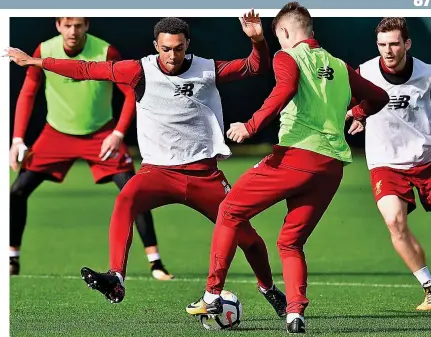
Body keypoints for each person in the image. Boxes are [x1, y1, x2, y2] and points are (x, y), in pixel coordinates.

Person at [6, 12, 289, 317]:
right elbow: (87, 68)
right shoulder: (138, 70)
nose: (172, 55)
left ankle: (269, 289)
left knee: (249, 239)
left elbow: (256, 66)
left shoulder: (208, 69)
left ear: (187, 44)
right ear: (156, 45)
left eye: (178, 48)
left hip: (204, 175)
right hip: (158, 172)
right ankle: (116, 278)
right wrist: (37, 63)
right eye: (165, 48)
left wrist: (258, 39)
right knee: (126, 198)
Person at [185, 2, 390, 334]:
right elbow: (379, 96)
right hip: (331, 168)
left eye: (277, 36)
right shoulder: (340, 65)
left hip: (295, 158)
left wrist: (250, 126)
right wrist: (358, 113)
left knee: (229, 211)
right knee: (291, 242)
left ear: (283, 32)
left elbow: (285, 89)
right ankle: (295, 313)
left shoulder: (287, 56)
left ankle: (212, 294)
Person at [8, 17, 173, 281]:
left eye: (79, 25)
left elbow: (131, 93)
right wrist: (17, 139)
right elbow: (28, 92)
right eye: (68, 25)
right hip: (55, 135)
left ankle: (156, 264)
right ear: (58, 26)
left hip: (101, 135)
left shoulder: (105, 51)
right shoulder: (44, 50)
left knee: (134, 191)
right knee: (17, 190)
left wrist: (118, 134)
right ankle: (12, 259)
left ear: (87, 26)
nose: (73, 31)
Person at [348, 17, 431, 311]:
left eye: (395, 43)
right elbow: (354, 102)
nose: (388, 50)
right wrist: (357, 114)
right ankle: (429, 287)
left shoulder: (427, 74)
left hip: (426, 159)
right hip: (385, 162)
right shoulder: (365, 72)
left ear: (407, 44)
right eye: (382, 44)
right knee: (394, 222)